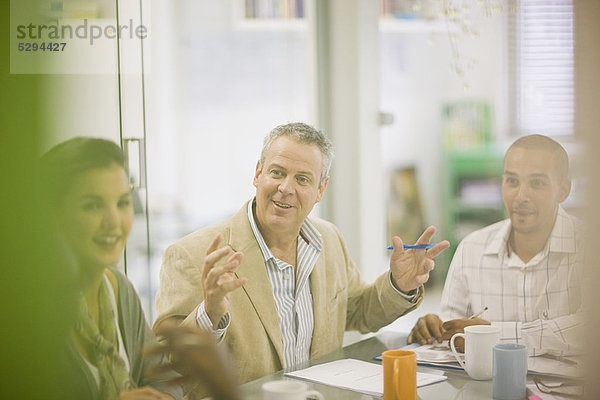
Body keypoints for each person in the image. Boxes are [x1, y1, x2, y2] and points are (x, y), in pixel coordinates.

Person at [153, 122, 450, 397]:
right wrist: (210, 312)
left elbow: (358, 311)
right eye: (277, 172)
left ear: (320, 189)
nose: (286, 188)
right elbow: (171, 365)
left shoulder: (328, 239)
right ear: (258, 173)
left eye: (302, 179)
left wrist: (398, 283)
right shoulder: (191, 255)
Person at [407, 134, 584, 356]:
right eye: (512, 181)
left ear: (563, 190)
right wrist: (434, 328)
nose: (521, 196)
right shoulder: (471, 249)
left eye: (537, 183)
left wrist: (492, 334)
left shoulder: (589, 248)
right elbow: (452, 331)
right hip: (483, 388)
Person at [40, 137, 184, 400]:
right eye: (92, 205)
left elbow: (165, 379)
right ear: (54, 215)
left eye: (122, 203)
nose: (114, 222)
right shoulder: (27, 310)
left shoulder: (119, 288)